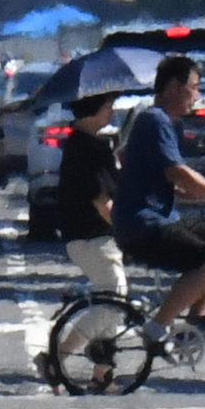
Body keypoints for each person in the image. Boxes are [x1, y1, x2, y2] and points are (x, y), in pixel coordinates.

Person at [113, 55, 205, 353]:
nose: (197, 96)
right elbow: (179, 173)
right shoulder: (154, 121)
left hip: (159, 219)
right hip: (143, 225)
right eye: (195, 87)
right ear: (174, 87)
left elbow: (176, 186)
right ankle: (156, 327)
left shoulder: (166, 124)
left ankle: (197, 320)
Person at [33, 91, 123, 392]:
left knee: (111, 298)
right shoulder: (86, 148)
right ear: (93, 110)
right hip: (90, 235)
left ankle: (102, 373)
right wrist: (124, 229)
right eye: (108, 107)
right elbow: (100, 199)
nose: (111, 112)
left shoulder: (89, 144)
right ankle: (56, 358)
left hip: (90, 235)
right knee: (113, 298)